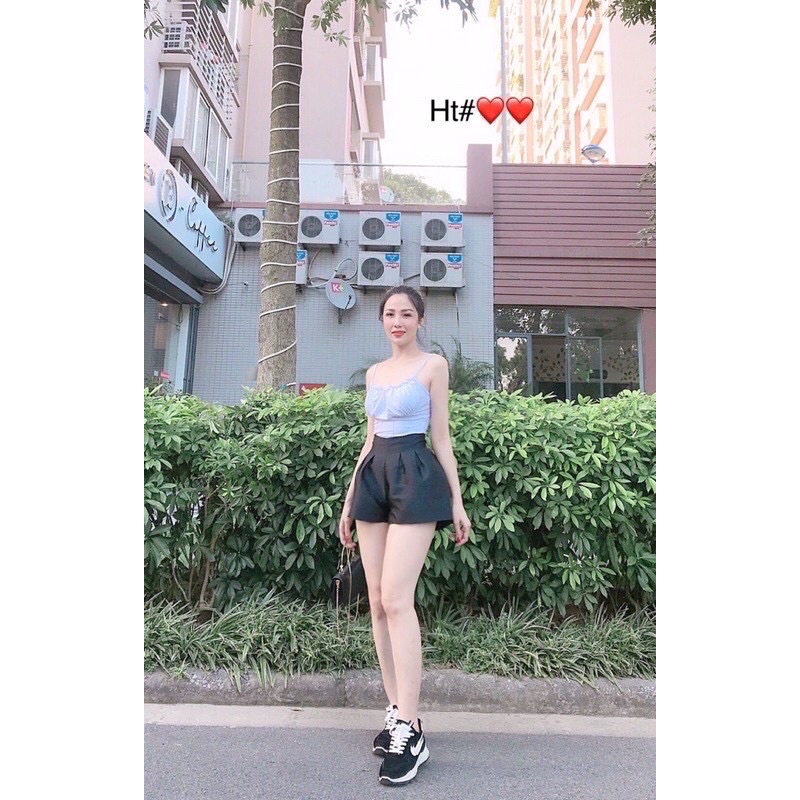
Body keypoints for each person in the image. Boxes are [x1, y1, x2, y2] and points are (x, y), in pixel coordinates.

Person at [338, 285, 472, 787]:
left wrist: (456, 501)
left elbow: (442, 437)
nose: (398, 321)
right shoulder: (374, 373)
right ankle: (397, 711)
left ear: (420, 320)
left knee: (397, 599)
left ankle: (412, 731)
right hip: (374, 476)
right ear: (382, 320)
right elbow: (369, 439)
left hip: (416, 474)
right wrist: (350, 499)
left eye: (407, 314)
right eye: (390, 313)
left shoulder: (433, 366)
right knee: (375, 602)